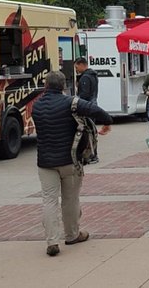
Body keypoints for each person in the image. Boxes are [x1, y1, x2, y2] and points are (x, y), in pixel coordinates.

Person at [32, 70, 112, 257]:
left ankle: (52, 241)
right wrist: (107, 122)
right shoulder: (71, 103)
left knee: (49, 201)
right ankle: (72, 235)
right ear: (63, 86)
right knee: (70, 199)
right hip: (70, 161)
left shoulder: (36, 106)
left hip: (44, 162)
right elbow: (96, 111)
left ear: (45, 85)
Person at [74, 57, 100, 163]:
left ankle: (92, 155)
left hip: (87, 107)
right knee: (92, 131)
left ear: (82, 65)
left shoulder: (85, 78)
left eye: (77, 67)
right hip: (93, 105)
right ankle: (92, 154)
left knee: (88, 132)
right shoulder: (93, 76)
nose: (76, 70)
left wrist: (77, 103)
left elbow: (84, 95)